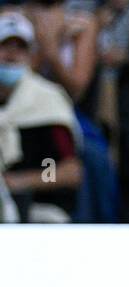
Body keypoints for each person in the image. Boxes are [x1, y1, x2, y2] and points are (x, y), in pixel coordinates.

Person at [0, 10, 82, 222]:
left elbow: (68, 171)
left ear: (30, 55)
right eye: (4, 46)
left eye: (20, 47)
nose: (11, 54)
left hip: (38, 207)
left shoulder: (46, 100)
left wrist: (18, 182)